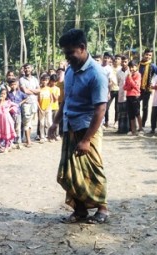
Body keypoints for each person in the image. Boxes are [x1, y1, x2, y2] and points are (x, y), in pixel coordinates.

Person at [48, 28, 109, 224]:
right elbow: (65, 99)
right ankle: (80, 210)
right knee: (69, 171)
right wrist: (55, 122)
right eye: (65, 53)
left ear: (82, 48)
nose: (67, 58)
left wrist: (86, 140)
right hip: (69, 125)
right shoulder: (69, 70)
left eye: (70, 53)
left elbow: (100, 110)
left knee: (92, 170)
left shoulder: (97, 74)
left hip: (87, 128)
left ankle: (103, 208)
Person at [19, 63, 40, 143]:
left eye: (28, 68)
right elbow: (24, 91)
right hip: (26, 103)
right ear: (24, 70)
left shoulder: (35, 79)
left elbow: (39, 90)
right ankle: (28, 140)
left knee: (31, 121)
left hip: (34, 102)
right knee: (26, 120)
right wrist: (34, 91)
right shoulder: (22, 80)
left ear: (31, 69)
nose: (27, 69)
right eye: (25, 68)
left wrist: (29, 90)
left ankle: (28, 139)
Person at [138, 49, 157, 128]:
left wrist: (153, 84)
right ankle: (136, 122)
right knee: (136, 105)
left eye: (150, 55)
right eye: (146, 54)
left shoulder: (153, 66)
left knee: (145, 107)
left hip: (147, 89)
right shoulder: (139, 64)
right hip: (137, 89)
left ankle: (142, 124)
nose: (148, 56)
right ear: (143, 54)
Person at [8, 78, 29, 147]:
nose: (13, 86)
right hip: (10, 113)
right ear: (9, 85)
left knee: (18, 127)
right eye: (11, 85)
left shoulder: (20, 93)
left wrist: (20, 103)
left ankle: (18, 141)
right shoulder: (8, 94)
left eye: (15, 84)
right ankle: (12, 141)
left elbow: (26, 97)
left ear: (17, 85)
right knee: (11, 127)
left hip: (18, 112)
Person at [0, 87, 18, 152]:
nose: (3, 95)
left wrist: (10, 109)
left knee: (7, 131)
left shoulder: (8, 102)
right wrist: (0, 102)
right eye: (1, 94)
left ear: (6, 95)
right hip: (0, 120)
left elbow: (16, 105)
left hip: (7, 119)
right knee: (0, 132)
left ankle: (7, 146)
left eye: (4, 94)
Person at [125, 60, 142, 135]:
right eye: (130, 67)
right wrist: (130, 85)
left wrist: (130, 80)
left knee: (137, 113)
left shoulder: (138, 75)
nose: (131, 69)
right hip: (128, 96)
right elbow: (125, 87)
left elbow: (136, 86)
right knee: (131, 114)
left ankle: (141, 129)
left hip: (135, 96)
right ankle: (133, 130)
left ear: (137, 67)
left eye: (133, 67)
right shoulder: (128, 75)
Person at [37, 74, 55, 142]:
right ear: (41, 80)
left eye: (46, 80)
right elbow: (37, 100)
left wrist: (48, 107)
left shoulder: (49, 89)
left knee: (49, 122)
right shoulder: (39, 89)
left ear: (48, 81)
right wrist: (40, 109)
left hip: (48, 109)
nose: (44, 81)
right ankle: (42, 136)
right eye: (43, 80)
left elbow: (52, 100)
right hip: (41, 109)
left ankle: (50, 136)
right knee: (42, 123)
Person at [116, 55, 130, 134]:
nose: (124, 63)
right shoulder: (118, 72)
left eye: (125, 62)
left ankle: (128, 128)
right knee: (121, 112)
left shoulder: (130, 71)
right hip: (121, 93)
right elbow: (118, 83)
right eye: (122, 62)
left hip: (129, 94)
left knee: (128, 112)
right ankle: (121, 128)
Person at [49, 74, 62, 140]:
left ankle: (56, 134)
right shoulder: (47, 88)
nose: (53, 83)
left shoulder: (57, 89)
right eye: (52, 81)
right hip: (48, 107)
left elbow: (56, 99)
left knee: (56, 121)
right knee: (49, 121)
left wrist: (52, 93)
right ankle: (50, 135)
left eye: (55, 81)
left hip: (55, 107)